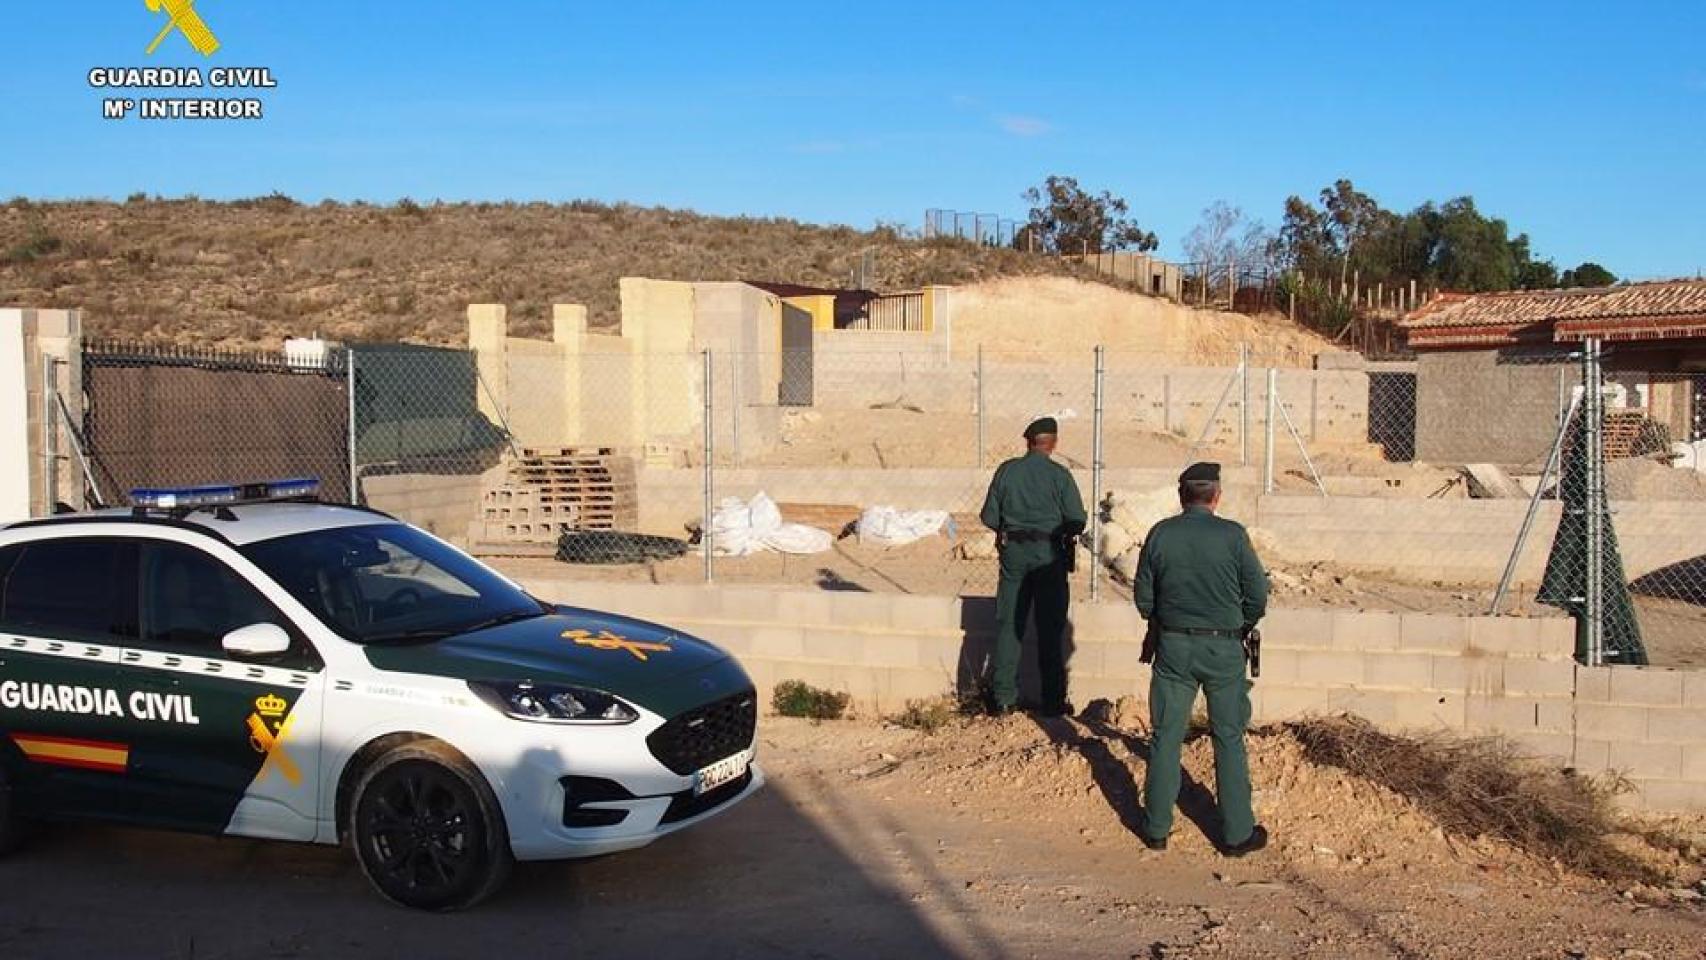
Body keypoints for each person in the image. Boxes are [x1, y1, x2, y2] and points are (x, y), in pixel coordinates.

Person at [1133, 462, 1270, 857]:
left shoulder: (1160, 534)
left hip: (1173, 646)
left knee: (1165, 736)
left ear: (1182, 496)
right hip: (1223, 648)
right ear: (1216, 495)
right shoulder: (1233, 536)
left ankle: (1156, 828)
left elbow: (1144, 596)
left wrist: (1163, 622)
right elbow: (1257, 595)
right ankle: (1236, 834)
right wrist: (1240, 623)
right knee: (1228, 736)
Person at [978, 417, 1087, 717]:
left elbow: (988, 516)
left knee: (1009, 624)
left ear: (1028, 441)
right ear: (1052, 443)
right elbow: (1077, 519)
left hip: (1013, 554)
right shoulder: (1059, 475)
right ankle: (1052, 701)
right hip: (1048, 556)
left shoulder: (1007, 471)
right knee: (1050, 627)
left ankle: (1002, 699)